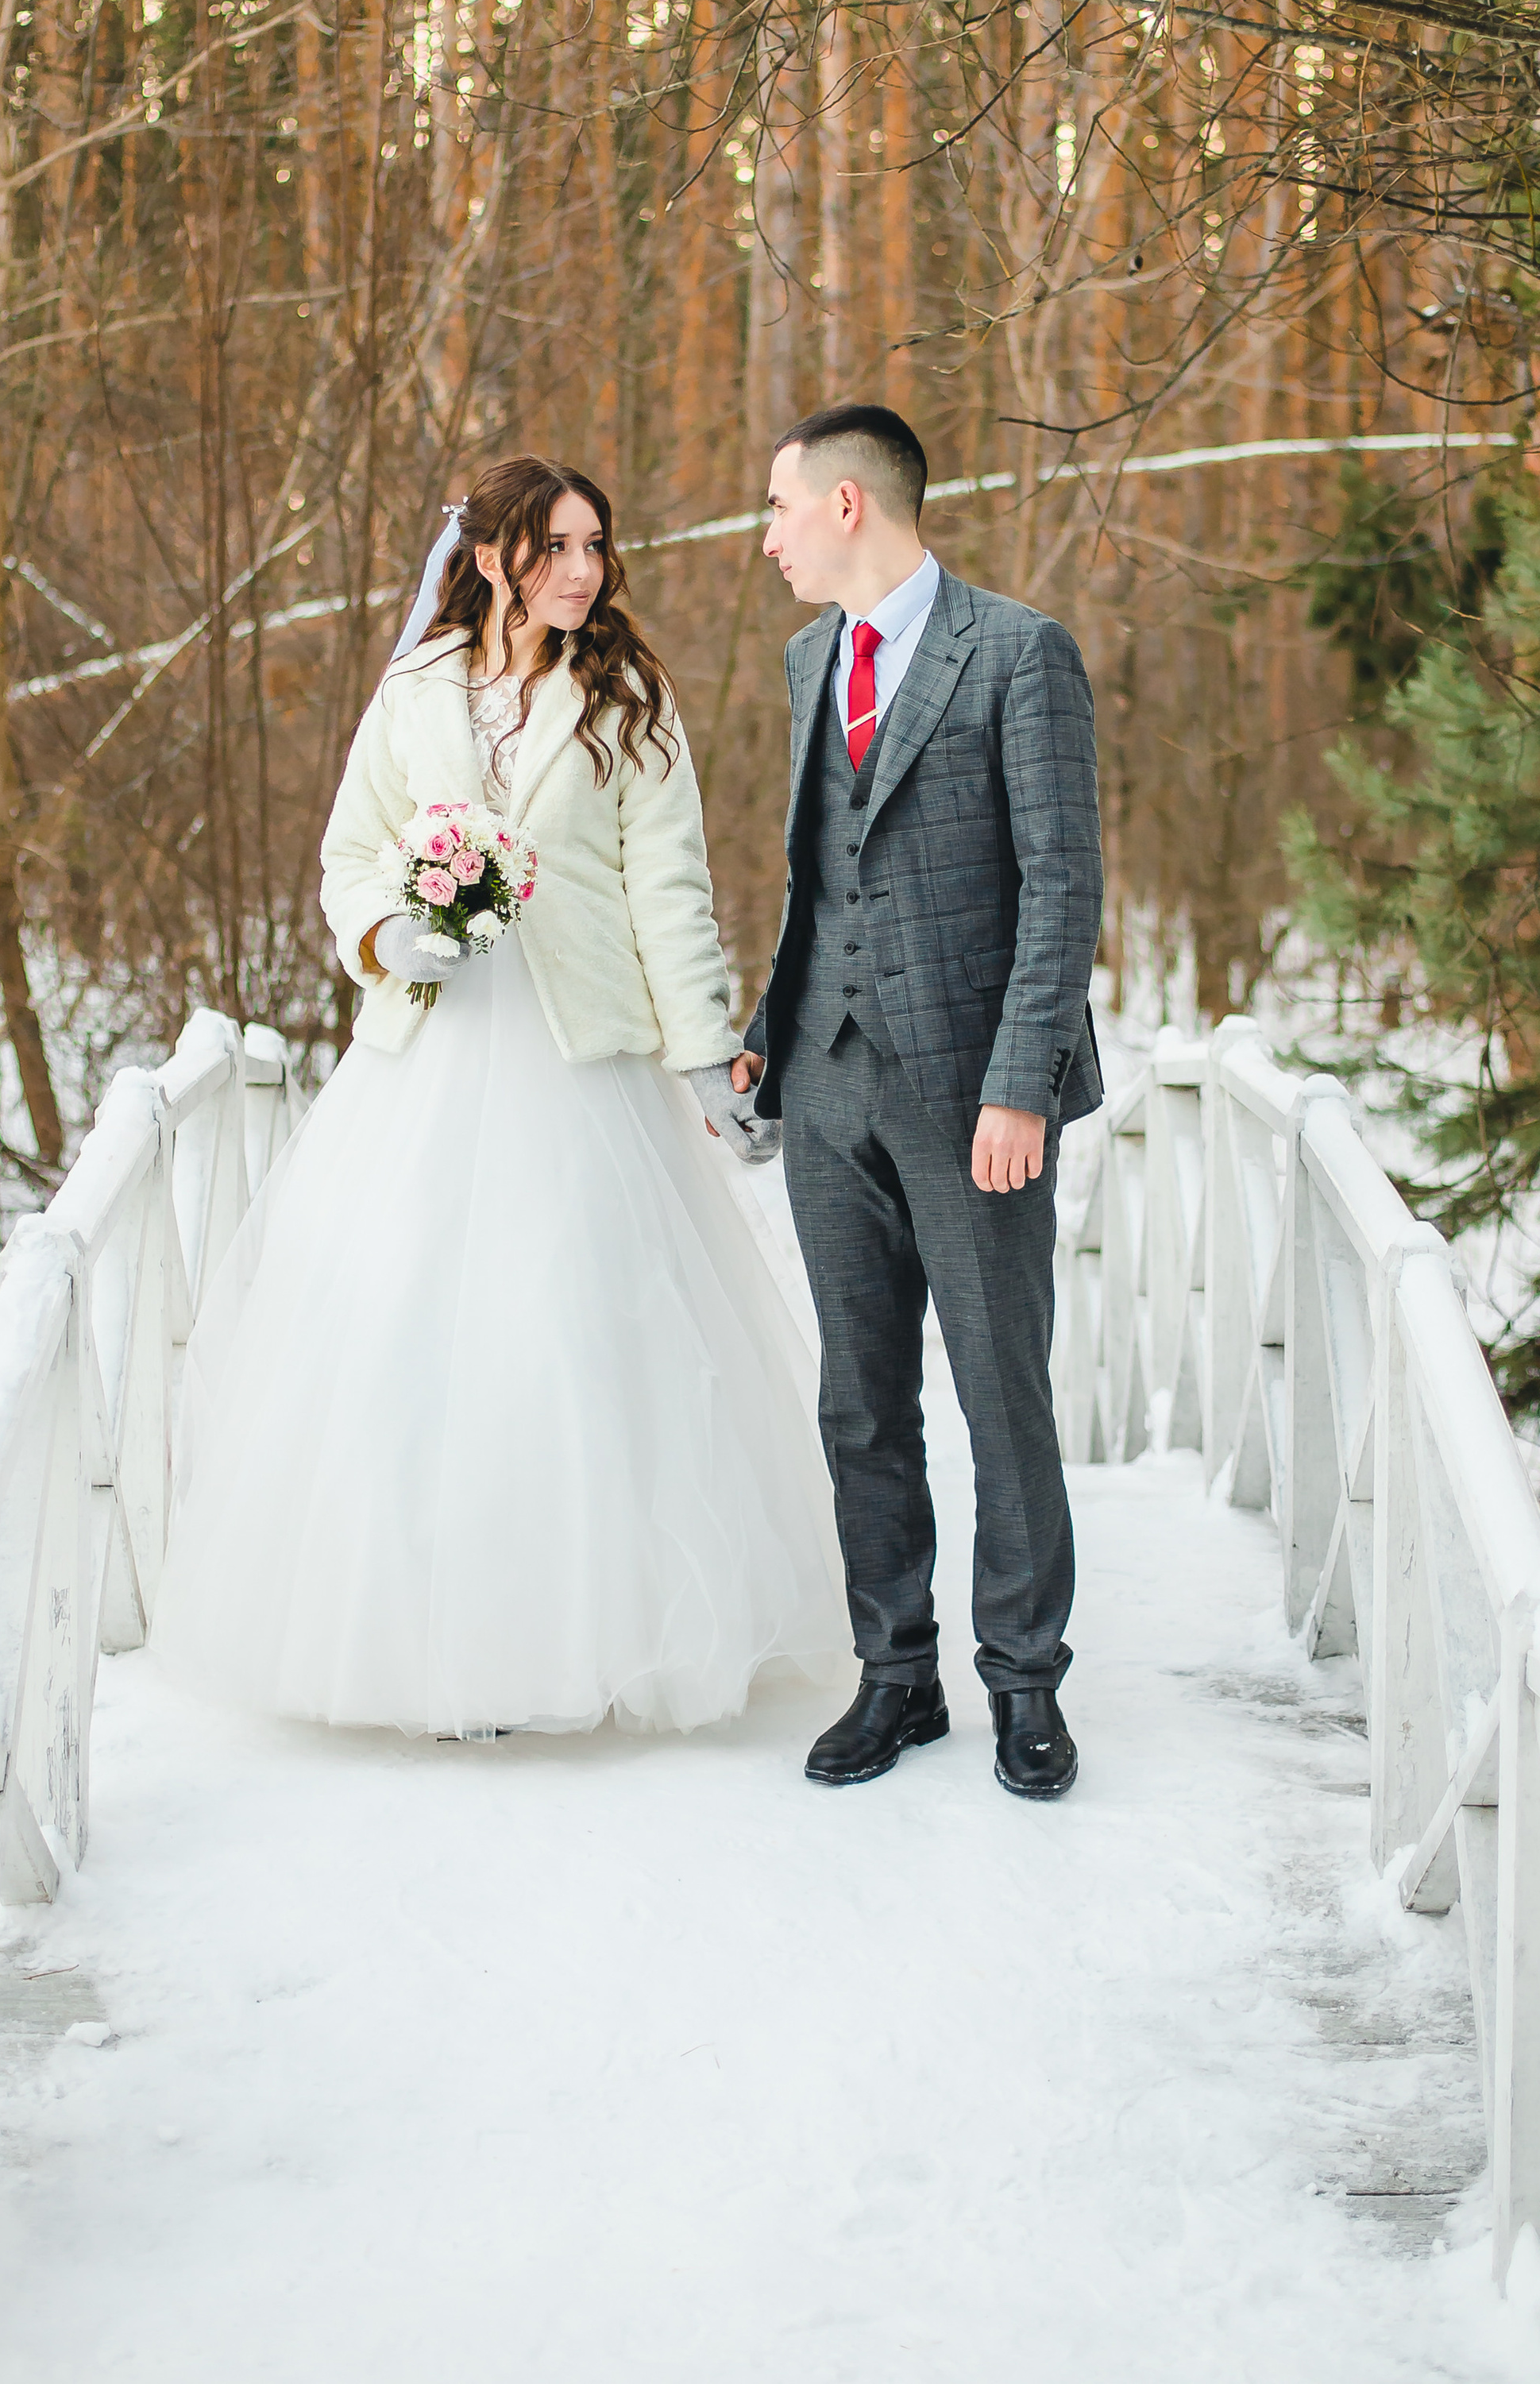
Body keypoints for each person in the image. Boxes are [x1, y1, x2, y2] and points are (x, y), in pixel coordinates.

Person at [150, 456, 849, 1738]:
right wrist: (384, 935)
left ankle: (574, 1650)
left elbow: (670, 893)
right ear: (491, 559)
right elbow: (351, 850)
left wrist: (703, 1053)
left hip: (582, 1060)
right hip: (429, 1055)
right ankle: (425, 1654)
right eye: (554, 547)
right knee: (409, 1340)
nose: (582, 570)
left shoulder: (629, 695)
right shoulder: (416, 689)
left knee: (571, 1339)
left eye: (594, 545)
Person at [730, 403, 1104, 1799]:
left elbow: (1062, 891)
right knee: (861, 1404)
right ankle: (897, 1678)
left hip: (971, 1098)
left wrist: (1023, 1088)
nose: (764, 537)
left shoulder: (1019, 653)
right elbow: (820, 879)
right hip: (829, 1085)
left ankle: (1025, 1685)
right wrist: (771, 1037)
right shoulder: (806, 658)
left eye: (776, 508)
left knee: (1002, 1393)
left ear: (845, 506)